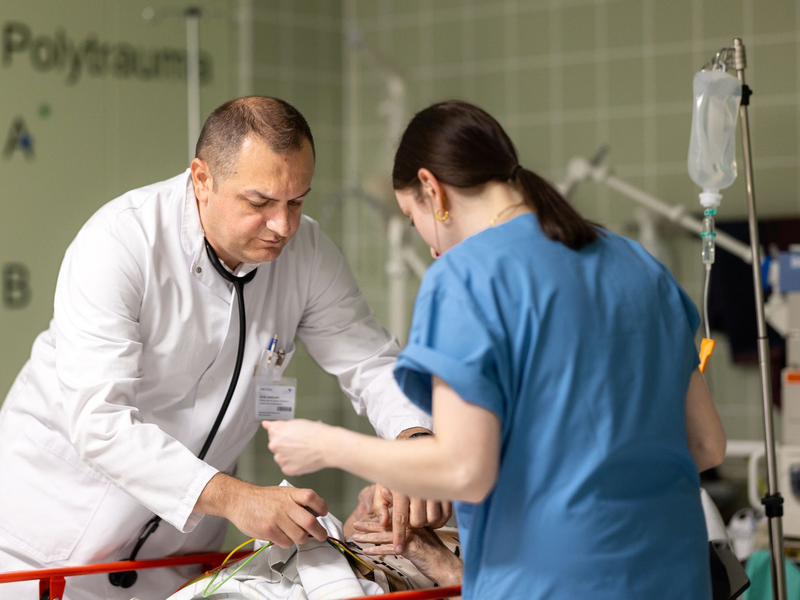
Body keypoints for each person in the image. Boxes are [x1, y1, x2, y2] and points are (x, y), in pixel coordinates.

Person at [263, 100, 727, 599]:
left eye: (410, 215)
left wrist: (324, 444)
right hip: (675, 575)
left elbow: (464, 469)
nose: (426, 242)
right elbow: (705, 446)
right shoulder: (638, 264)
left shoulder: (466, 276)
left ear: (432, 190)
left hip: (555, 582)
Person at [0, 97, 450, 600]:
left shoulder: (307, 255)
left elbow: (369, 362)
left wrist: (416, 442)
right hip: (45, 546)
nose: (283, 226)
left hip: (177, 558)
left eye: (297, 201)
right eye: (259, 204)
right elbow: (99, 422)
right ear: (201, 179)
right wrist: (236, 499)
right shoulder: (120, 244)